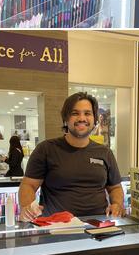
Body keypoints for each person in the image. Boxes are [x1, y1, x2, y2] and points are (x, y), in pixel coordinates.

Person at [18, 92, 124, 221]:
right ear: (66, 118)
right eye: (75, 113)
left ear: (94, 119)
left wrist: (117, 204)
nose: (82, 118)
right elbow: (28, 185)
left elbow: (115, 188)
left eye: (87, 113)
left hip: (98, 229)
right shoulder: (46, 149)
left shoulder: (104, 152)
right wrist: (27, 206)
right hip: (56, 230)